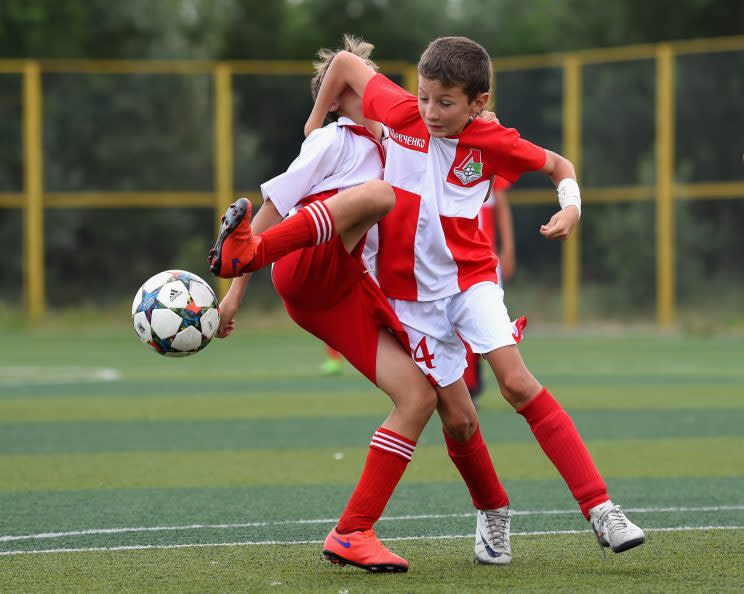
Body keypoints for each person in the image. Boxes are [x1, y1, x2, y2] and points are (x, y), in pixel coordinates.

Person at [304, 35, 646, 562]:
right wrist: (314, 122)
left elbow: (562, 167)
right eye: (424, 98)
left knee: (516, 382)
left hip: (471, 282)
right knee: (459, 421)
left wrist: (571, 208)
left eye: (445, 102)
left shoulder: (493, 140)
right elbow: (347, 64)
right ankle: (493, 512)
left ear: (477, 102)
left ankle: (600, 508)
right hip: (411, 301)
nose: (429, 111)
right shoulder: (401, 112)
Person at [209, 36, 514, 573]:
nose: (386, 96)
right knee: (378, 197)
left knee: (441, 406)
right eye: (360, 87)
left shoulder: (411, 142)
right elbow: (271, 208)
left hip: (354, 292)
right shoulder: (333, 142)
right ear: (339, 100)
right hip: (307, 271)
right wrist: (235, 287)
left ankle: (356, 531)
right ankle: (244, 261)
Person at [464, 178, 516, 405]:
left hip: (485, 259)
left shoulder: (486, 150)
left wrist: (508, 249)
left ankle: (473, 384)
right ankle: (465, 385)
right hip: (453, 257)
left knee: (485, 323)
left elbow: (502, 204)